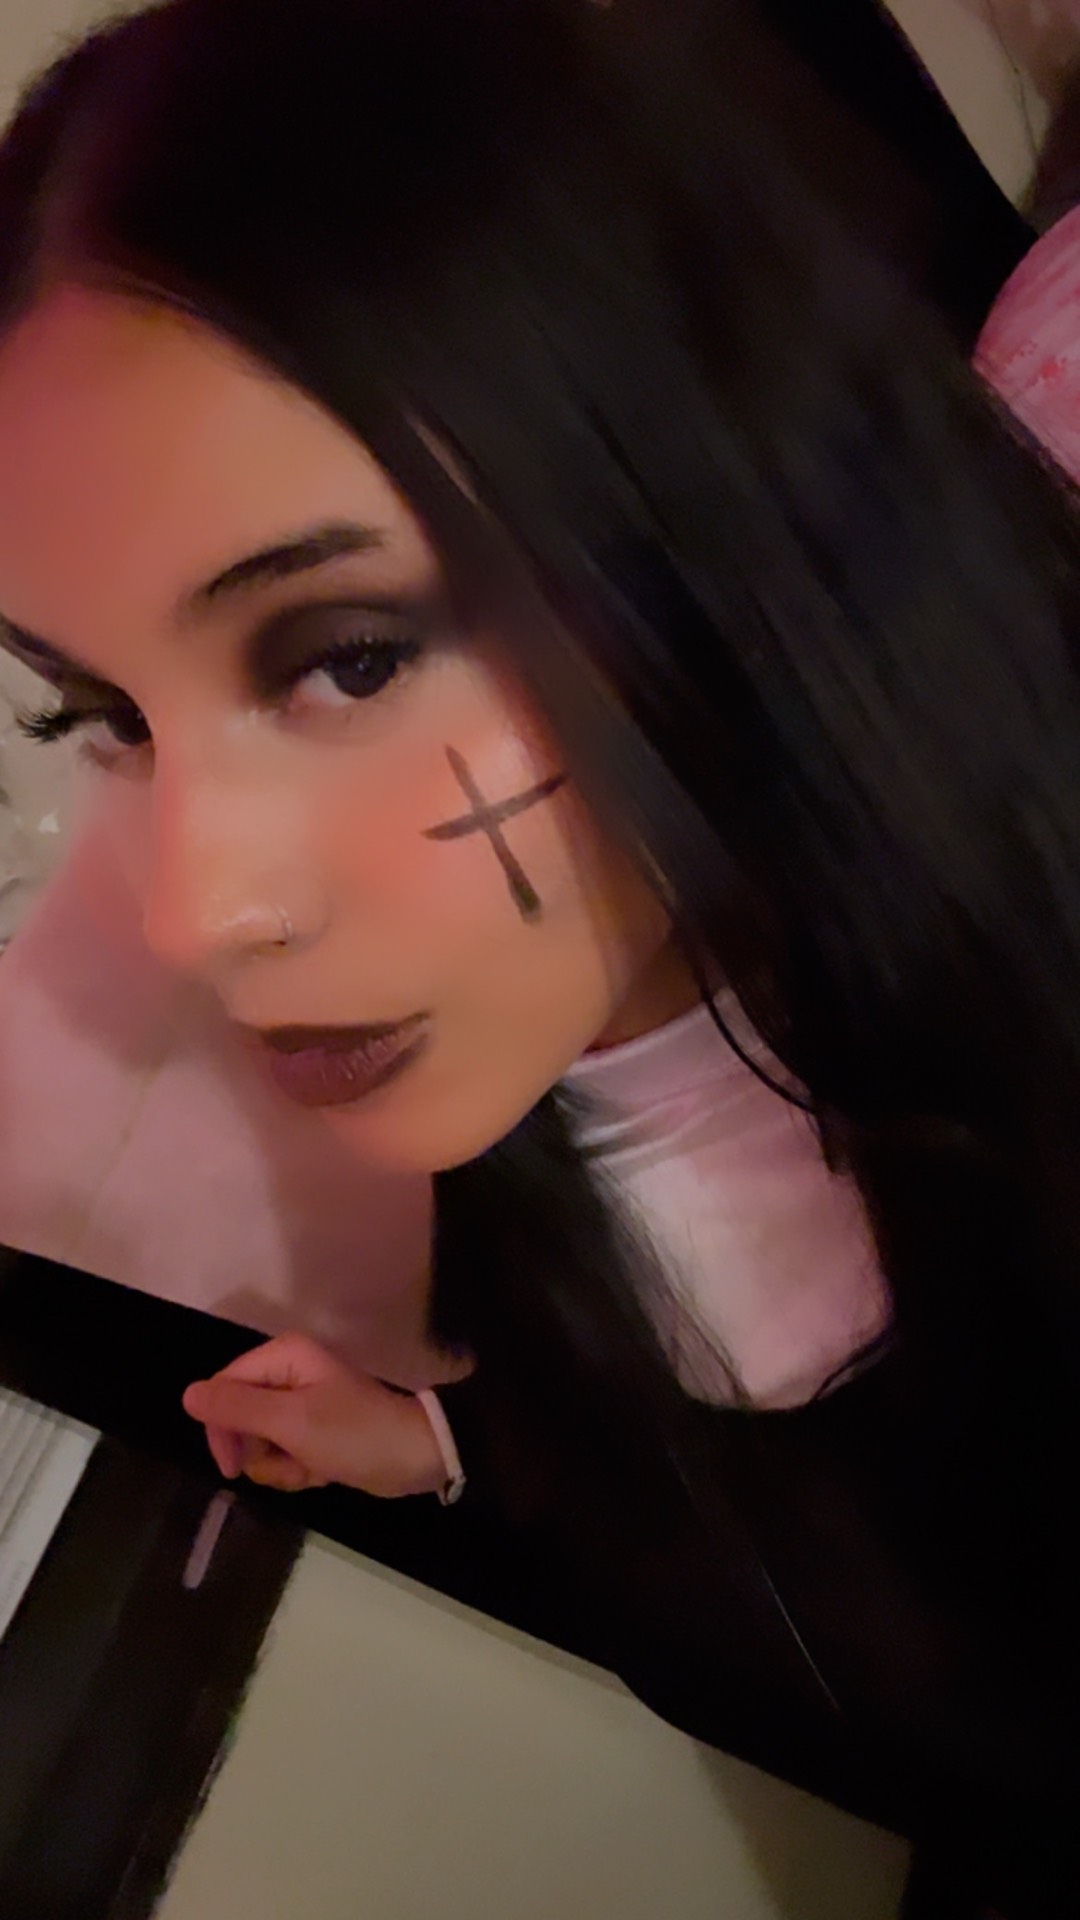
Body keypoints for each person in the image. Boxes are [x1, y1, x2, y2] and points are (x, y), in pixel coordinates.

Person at [1, 1, 1079, 1910]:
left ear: (699, 511)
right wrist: (452, 1446)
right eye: (108, 714)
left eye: (344, 656)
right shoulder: (514, 1071)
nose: (192, 913)